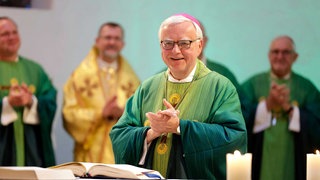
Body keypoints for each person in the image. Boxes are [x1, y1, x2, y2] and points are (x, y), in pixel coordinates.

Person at [110, 14, 247, 179]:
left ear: (199, 45)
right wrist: (151, 133)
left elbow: (234, 137)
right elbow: (119, 134)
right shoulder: (148, 87)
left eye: (184, 43)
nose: (175, 51)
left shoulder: (220, 86)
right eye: (168, 43)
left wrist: (180, 128)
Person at [241, 35, 320, 180]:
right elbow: (239, 119)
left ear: (295, 57)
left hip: (292, 159)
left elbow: (317, 127)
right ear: (269, 55)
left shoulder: (306, 87)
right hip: (260, 158)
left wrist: (289, 109)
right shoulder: (252, 84)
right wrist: (268, 105)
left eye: (286, 52)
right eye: (275, 52)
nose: (280, 56)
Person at [62, 22, 140, 164]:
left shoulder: (132, 80)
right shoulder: (79, 77)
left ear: (122, 44)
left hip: (121, 152)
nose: (112, 42)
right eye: (108, 37)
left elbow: (143, 113)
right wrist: (100, 113)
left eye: (116, 39)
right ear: (98, 42)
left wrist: (124, 113)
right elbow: (69, 114)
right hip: (90, 153)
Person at [0, 16, 57, 167]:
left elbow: (50, 100)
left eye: (14, 32)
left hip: (32, 148)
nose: (11, 37)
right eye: (5, 34)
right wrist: (7, 103)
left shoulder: (35, 70)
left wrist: (32, 102)